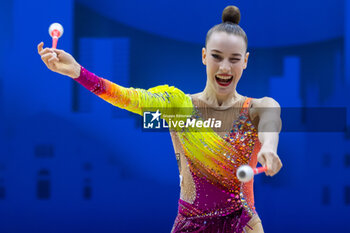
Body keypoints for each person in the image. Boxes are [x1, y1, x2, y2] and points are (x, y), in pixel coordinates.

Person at [37, 5, 282, 233]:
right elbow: (130, 98)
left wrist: (269, 149)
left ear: (246, 60)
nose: (225, 67)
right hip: (190, 225)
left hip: (243, 225)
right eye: (217, 57)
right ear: (204, 56)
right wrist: (78, 72)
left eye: (234, 59)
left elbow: (271, 120)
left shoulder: (258, 108)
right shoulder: (178, 107)